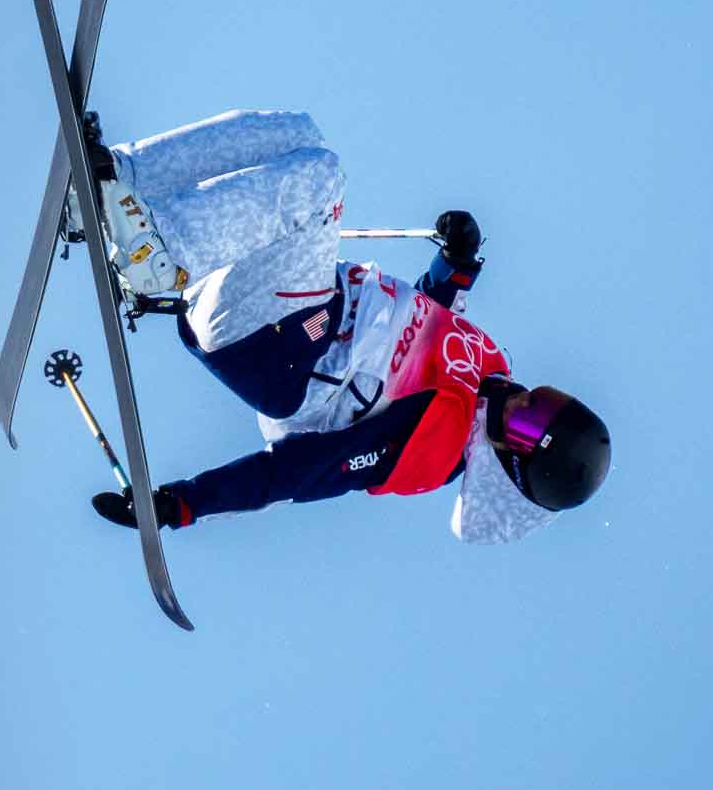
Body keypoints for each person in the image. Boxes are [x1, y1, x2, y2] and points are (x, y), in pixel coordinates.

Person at [70, 108, 611, 544]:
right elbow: (418, 326)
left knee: (320, 181)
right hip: (285, 298)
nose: (521, 403)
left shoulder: (431, 449)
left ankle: (157, 254)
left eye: (528, 425)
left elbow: (303, 472)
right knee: (299, 133)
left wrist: (185, 504)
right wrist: (458, 265)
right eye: (544, 400)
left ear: (508, 462)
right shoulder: (486, 369)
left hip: (280, 350)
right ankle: (110, 185)